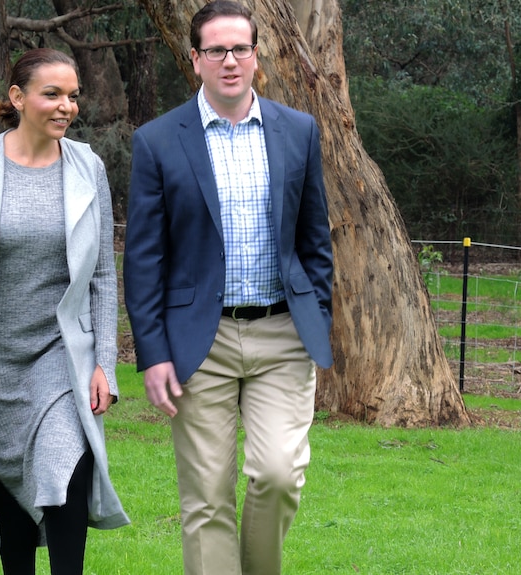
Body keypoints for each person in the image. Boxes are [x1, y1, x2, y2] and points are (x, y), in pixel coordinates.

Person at [123, 2, 333, 574]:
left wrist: (320, 317)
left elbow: (315, 240)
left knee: (277, 476)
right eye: (216, 50)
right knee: (207, 498)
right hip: (198, 343)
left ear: (256, 55)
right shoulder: (158, 141)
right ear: (195, 60)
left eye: (240, 48)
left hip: (283, 336)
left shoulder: (298, 131)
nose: (230, 61)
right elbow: (144, 260)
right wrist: (153, 353)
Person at [0, 48, 129, 575]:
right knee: (14, 513)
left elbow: (104, 274)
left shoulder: (89, 168)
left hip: (61, 354)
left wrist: (105, 359)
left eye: (73, 95)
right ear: (17, 98)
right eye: (52, 94)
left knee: (65, 472)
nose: (66, 107)